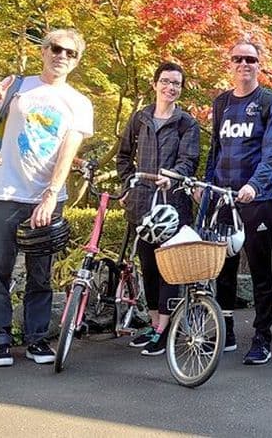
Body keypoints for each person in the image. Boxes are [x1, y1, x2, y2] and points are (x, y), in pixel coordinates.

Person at [0, 28, 94, 367]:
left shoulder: (78, 102)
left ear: (76, 61)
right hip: (4, 191)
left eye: (70, 52)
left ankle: (36, 338)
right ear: (44, 50)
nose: (61, 56)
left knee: (40, 272)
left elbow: (68, 150)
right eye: (55, 48)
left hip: (46, 197)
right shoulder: (17, 87)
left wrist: (50, 195)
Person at [203, 38, 272, 365]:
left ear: (258, 65)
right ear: (230, 63)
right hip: (224, 197)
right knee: (223, 267)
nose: (244, 64)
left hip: (258, 198)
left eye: (250, 59)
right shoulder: (221, 103)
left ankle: (262, 336)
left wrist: (254, 185)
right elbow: (215, 150)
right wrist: (207, 187)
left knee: (260, 269)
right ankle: (225, 330)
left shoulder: (270, 103)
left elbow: (271, 154)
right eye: (238, 58)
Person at [116, 61, 200, 356]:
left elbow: (189, 161)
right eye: (165, 81)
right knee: (148, 267)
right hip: (142, 204)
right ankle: (154, 325)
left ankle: (165, 330)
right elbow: (124, 156)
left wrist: (173, 176)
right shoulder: (140, 119)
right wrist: (128, 185)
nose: (170, 87)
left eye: (176, 83)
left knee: (169, 269)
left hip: (172, 205)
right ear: (155, 84)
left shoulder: (186, 123)